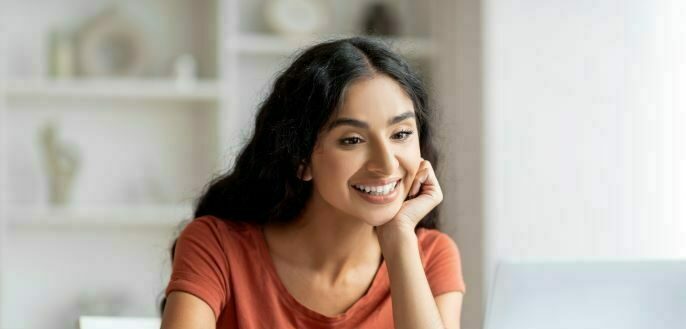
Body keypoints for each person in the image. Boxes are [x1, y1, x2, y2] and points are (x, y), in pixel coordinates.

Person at [160, 37, 465, 329]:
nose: (386, 164)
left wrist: (399, 242)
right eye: (352, 140)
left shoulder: (430, 256)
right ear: (301, 160)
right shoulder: (216, 246)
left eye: (401, 134)